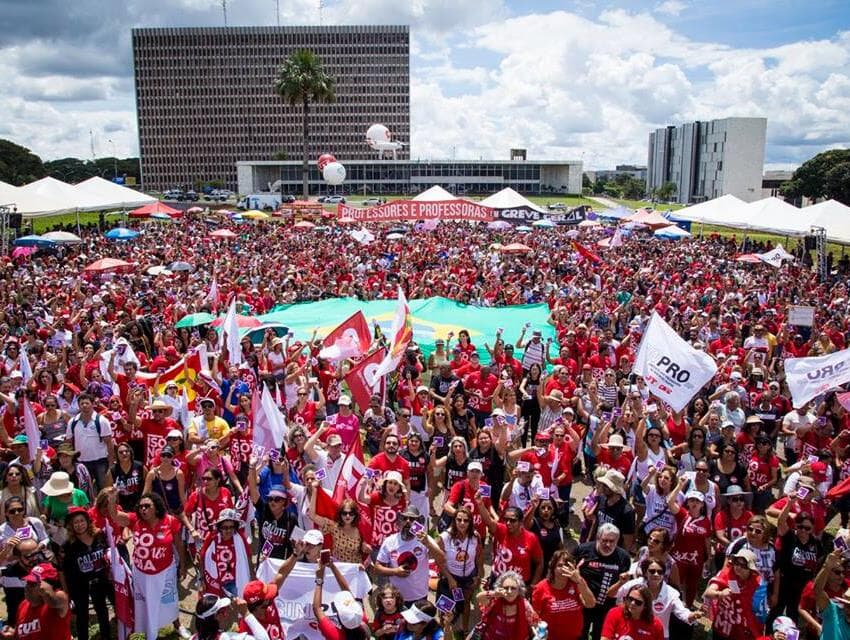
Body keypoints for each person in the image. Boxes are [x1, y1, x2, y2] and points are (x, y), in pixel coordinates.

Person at [107, 488, 190, 639]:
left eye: (147, 506)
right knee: (145, 603)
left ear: (156, 507)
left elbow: (179, 545)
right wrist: (113, 499)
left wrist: (182, 565)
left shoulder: (170, 521)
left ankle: (177, 625)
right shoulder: (134, 521)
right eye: (141, 506)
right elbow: (115, 516)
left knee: (169, 600)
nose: (143, 509)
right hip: (142, 573)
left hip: (165, 570)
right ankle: (149, 630)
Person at [375, 505, 446, 606]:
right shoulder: (389, 541)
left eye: (412, 519)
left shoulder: (425, 539)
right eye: (404, 518)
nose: (408, 521)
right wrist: (395, 571)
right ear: (399, 522)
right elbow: (377, 568)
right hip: (396, 597)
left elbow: (442, 558)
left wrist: (428, 543)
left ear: (417, 523)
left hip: (419, 597)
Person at [612, 558, 699, 640]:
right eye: (652, 571)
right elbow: (613, 594)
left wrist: (693, 615)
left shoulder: (672, 593)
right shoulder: (636, 584)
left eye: (660, 572)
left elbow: (683, 614)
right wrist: (620, 582)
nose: (656, 574)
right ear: (646, 573)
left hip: (659, 635)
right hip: (633, 631)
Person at [576, 522, 632, 640]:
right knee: (580, 635)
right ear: (598, 538)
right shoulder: (583, 550)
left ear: (617, 541)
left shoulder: (624, 557)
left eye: (612, 541)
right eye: (604, 540)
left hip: (606, 608)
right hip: (583, 604)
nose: (608, 544)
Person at [62, 506, 111, 640]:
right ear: (71, 526)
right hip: (79, 585)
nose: (79, 525)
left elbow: (108, 554)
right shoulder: (68, 545)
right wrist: (67, 591)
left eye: (81, 521)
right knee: (82, 616)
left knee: (103, 612)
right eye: (75, 522)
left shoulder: (99, 535)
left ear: (88, 521)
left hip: (100, 582)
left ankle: (106, 637)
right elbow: (63, 570)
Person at [436, 506, 483, 636]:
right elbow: (439, 562)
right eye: (459, 520)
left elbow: (479, 557)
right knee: (446, 608)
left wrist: (478, 576)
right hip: (449, 578)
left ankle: (465, 629)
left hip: (467, 578)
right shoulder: (444, 537)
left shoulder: (475, 536)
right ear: (454, 520)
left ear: (470, 522)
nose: (462, 523)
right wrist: (450, 579)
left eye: (466, 520)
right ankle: (443, 632)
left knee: (465, 604)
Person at [532, 549, 596, 640]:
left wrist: (579, 581)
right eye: (560, 565)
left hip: (575, 637)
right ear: (553, 568)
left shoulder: (577, 583)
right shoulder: (540, 588)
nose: (563, 569)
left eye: (567, 565)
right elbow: (534, 618)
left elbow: (591, 604)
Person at [704, 548, 762, 640]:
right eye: (737, 563)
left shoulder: (758, 584)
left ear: (750, 569)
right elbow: (708, 593)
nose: (738, 567)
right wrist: (720, 594)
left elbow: (760, 611)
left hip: (742, 631)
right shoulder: (726, 573)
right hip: (722, 625)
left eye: (743, 565)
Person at [64, 392, 115, 491]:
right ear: (78, 406)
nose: (84, 406)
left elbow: (109, 443)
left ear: (92, 404)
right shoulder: (72, 422)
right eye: (82, 404)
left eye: (87, 403)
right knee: (84, 490)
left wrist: (111, 464)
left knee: (104, 490)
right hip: (81, 462)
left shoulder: (101, 421)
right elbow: (68, 443)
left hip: (100, 462)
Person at [312, 558, 370, 639]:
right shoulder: (361, 620)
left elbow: (317, 608)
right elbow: (347, 592)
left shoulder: (335, 636)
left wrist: (319, 578)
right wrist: (333, 567)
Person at [200, 508, 253, 598]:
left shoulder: (240, 538)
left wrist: (252, 576)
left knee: (236, 607)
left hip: (234, 582)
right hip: (215, 582)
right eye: (225, 527)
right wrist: (202, 580)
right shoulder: (212, 537)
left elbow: (248, 556)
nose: (228, 531)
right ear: (219, 527)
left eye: (231, 527)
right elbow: (202, 557)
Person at [14, 562, 72, 640]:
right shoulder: (23, 605)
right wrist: (12, 634)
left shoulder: (59, 599)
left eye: (32, 584)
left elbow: (55, 601)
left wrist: (46, 591)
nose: (27, 587)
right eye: (27, 582)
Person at [473, 570, 537, 639]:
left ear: (519, 590)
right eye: (506, 588)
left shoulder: (525, 605)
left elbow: (535, 623)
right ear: (500, 588)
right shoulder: (495, 601)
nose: (509, 591)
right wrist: (494, 593)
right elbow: (478, 598)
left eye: (513, 588)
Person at [193, 593, 271, 640]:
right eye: (223, 610)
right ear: (216, 616)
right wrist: (246, 614)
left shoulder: (193, 638)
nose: (226, 613)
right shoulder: (229, 638)